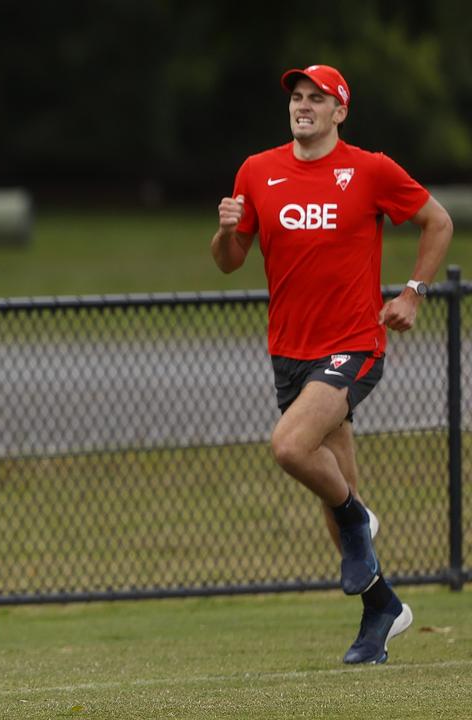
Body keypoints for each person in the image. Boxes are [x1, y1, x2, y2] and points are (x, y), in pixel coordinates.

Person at [211, 64, 452, 665]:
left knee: (291, 447)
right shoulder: (257, 170)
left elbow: (438, 221)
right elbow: (229, 262)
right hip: (288, 351)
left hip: (354, 343)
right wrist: (225, 233)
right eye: (297, 96)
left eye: (317, 98)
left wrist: (412, 293)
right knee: (334, 502)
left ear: (340, 111)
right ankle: (382, 609)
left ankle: (357, 517)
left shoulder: (369, 169)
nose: (303, 105)